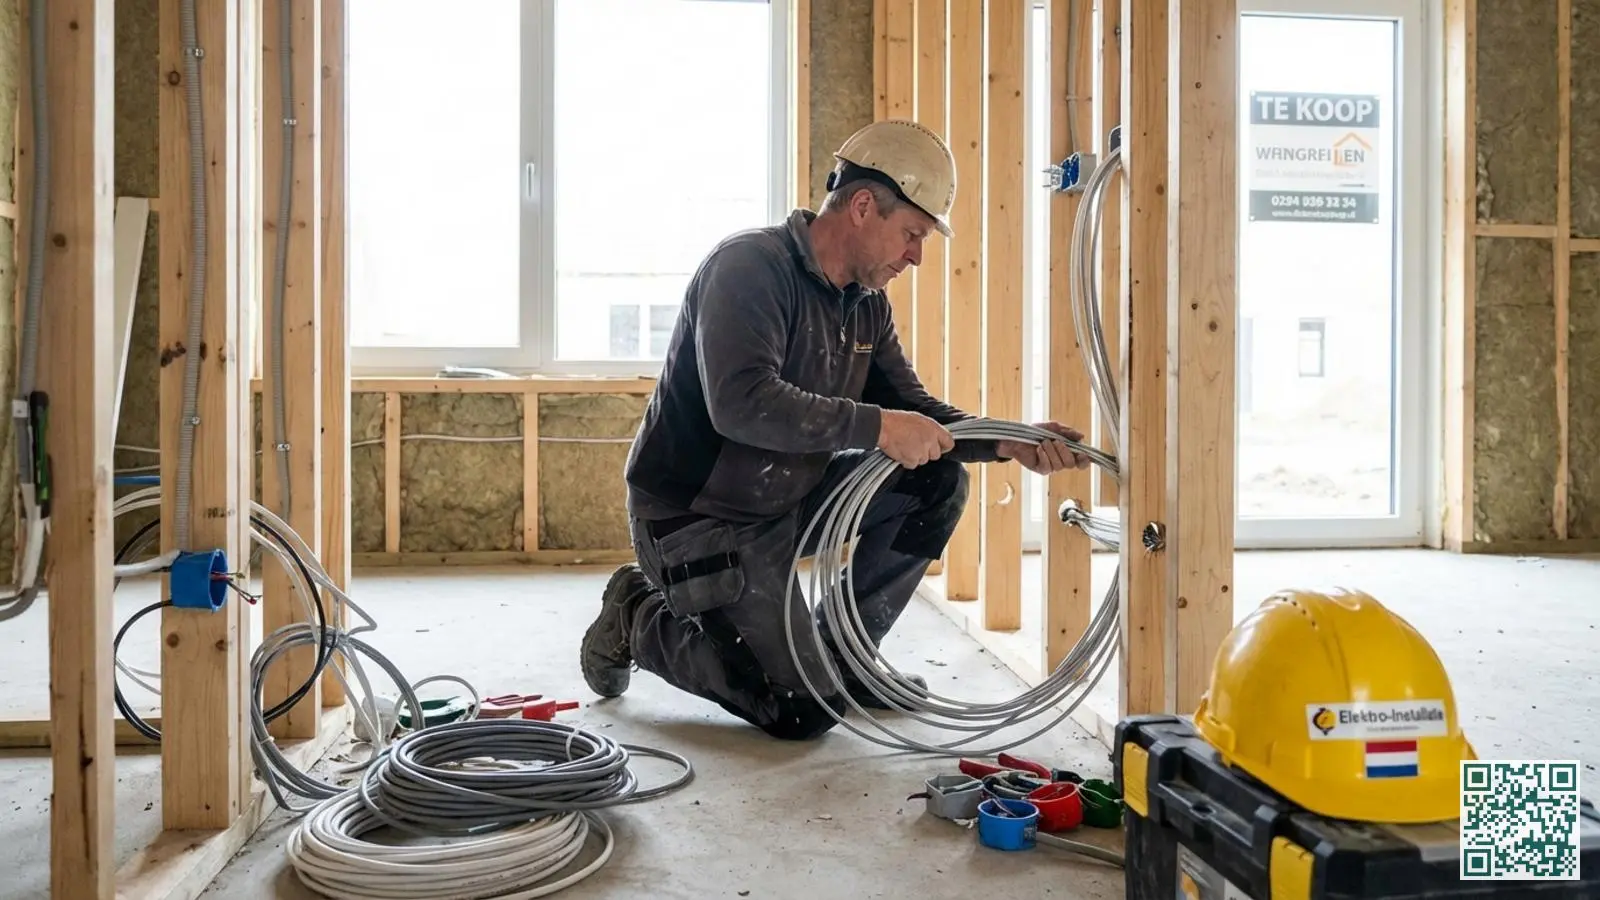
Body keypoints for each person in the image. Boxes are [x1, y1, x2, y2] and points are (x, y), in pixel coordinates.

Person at [578, 119, 1091, 741]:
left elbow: (911, 409)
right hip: (696, 523)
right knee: (799, 713)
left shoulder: (864, 303)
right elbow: (741, 404)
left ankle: (844, 661)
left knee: (936, 481)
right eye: (911, 235)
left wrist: (1002, 438)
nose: (916, 256)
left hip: (789, 504)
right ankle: (636, 614)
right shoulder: (748, 269)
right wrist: (876, 426)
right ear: (863, 206)